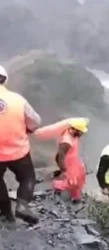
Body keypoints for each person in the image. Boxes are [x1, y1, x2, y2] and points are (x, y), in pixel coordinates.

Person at [0, 65, 42, 224]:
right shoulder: (18, 99)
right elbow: (35, 122)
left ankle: (6, 215)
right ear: (5, 80)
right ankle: (22, 205)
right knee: (27, 177)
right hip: (18, 151)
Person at [51, 118, 89, 203]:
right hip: (69, 164)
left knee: (78, 180)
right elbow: (60, 155)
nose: (82, 133)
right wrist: (63, 170)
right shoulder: (66, 142)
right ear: (75, 129)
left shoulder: (73, 134)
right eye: (81, 131)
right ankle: (58, 189)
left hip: (74, 161)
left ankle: (75, 197)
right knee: (72, 182)